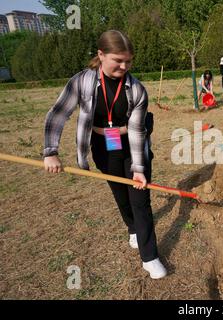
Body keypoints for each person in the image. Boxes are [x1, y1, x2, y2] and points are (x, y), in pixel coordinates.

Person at [43, 30, 167, 279]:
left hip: (132, 142)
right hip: (103, 144)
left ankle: (149, 256)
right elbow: (59, 113)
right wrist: (50, 152)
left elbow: (135, 131)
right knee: (119, 191)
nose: (124, 66)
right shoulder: (82, 82)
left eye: (128, 61)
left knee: (140, 199)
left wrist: (140, 170)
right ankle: (132, 228)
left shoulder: (137, 89)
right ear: (101, 55)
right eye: (118, 60)